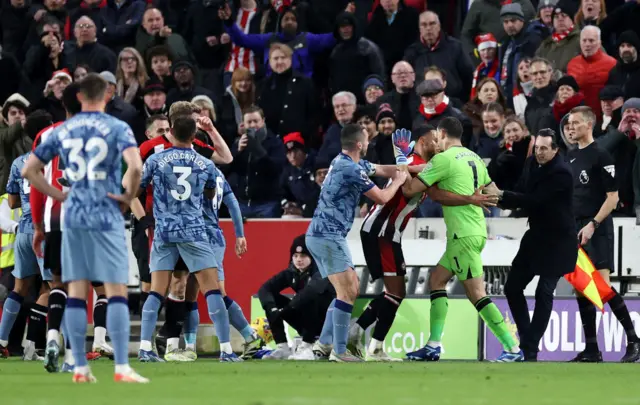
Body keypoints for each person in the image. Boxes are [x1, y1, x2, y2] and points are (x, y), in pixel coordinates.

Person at [22, 73, 147, 383]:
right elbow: (136, 166)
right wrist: (128, 196)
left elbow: (29, 170)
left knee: (75, 289)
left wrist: (59, 194)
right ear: (106, 96)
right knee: (115, 288)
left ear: (78, 98)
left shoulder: (63, 130)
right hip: (105, 214)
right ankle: (121, 367)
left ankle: (79, 366)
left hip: (73, 216)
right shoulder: (117, 127)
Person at [402, 117, 523, 362]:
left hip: (462, 235)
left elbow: (409, 189)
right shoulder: (474, 157)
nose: (436, 140)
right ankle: (433, 345)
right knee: (436, 281)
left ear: (443, 132)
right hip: (474, 230)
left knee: (477, 294)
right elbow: (493, 192)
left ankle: (512, 348)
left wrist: (403, 166)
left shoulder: (442, 160)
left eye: (437, 135)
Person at [137, 116, 242, 363]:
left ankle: (145, 348)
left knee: (155, 292)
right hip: (194, 231)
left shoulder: (155, 160)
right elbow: (209, 192)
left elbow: (138, 187)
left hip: (164, 232)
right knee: (212, 290)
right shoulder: (205, 164)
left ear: (171, 132)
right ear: (194, 135)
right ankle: (226, 349)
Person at [305, 124, 408, 362]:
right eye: (367, 140)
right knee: (348, 291)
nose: (370, 142)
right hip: (327, 235)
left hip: (322, 235)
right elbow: (382, 197)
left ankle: (324, 344)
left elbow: (383, 168)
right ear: (360, 144)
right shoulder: (349, 168)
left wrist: (407, 167)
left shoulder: (347, 163)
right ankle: (339, 352)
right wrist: (399, 182)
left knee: (347, 290)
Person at [349, 125, 449, 361]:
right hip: (382, 231)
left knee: (394, 293)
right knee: (396, 292)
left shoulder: (411, 163)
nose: (440, 143)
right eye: (436, 139)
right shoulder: (413, 161)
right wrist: (402, 161)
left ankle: (372, 345)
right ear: (423, 141)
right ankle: (358, 333)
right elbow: (411, 179)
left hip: (386, 232)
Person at [565, 106, 640, 362]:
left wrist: (593, 224)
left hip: (596, 228)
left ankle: (634, 341)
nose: (571, 127)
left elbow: (612, 198)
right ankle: (591, 349)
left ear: (589, 124)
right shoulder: (572, 156)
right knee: (581, 288)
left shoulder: (602, 155)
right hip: (575, 227)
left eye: (575, 123)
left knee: (601, 287)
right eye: (569, 124)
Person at [494, 129, 576, 361]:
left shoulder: (562, 173)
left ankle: (529, 348)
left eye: (544, 148)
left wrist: (500, 195)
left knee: (544, 291)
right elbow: (522, 190)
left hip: (559, 240)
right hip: (536, 235)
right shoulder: (531, 163)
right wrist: (500, 197)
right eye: (537, 147)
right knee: (512, 287)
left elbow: (534, 201)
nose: (538, 152)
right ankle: (527, 338)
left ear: (555, 150)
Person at [0, 147, 52, 361]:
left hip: (23, 229)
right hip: (46, 228)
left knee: (19, 288)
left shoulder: (18, 162)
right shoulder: (56, 160)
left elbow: (12, 202)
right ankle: (31, 346)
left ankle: (1, 341)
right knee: (56, 288)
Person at [258, 235, 335, 360]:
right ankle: (282, 347)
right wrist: (272, 309)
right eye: (295, 256)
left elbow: (310, 292)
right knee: (272, 300)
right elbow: (264, 289)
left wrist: (286, 309)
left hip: (326, 323)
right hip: (305, 321)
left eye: (303, 256)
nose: (299, 260)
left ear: (312, 256)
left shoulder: (321, 270)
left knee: (310, 298)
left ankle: (307, 346)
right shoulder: (292, 272)